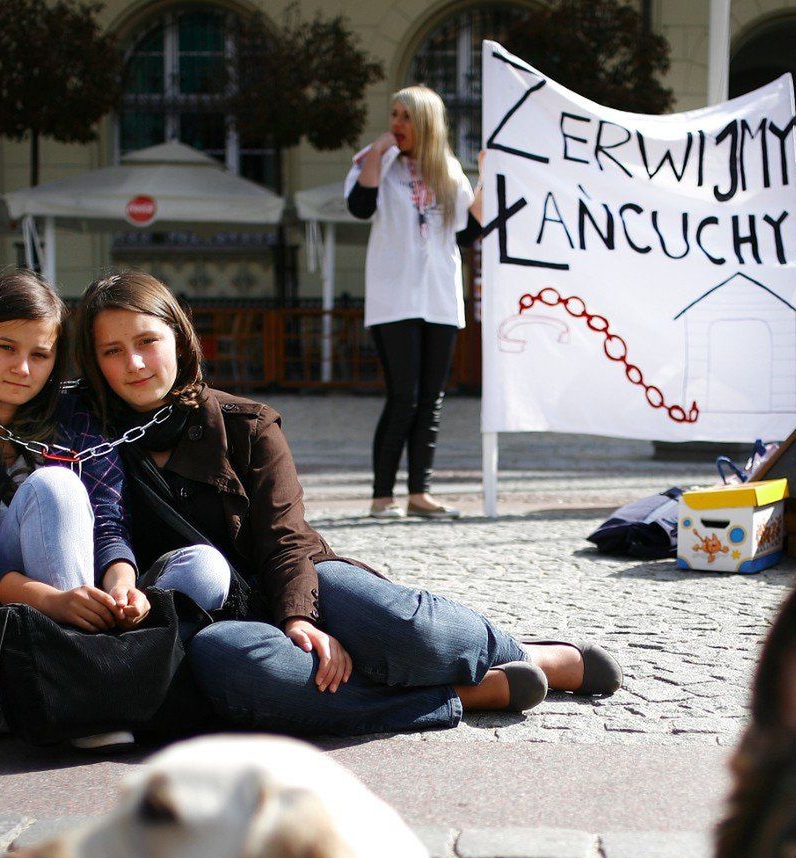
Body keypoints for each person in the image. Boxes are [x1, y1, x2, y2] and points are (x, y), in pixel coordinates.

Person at [71, 271, 623, 737]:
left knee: (410, 634)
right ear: (94, 363)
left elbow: (285, 537)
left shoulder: (245, 423)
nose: (135, 363)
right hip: (210, 618)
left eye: (147, 341)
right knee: (230, 666)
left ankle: (521, 650)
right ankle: (464, 695)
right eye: (113, 351)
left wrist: (296, 615)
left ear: (179, 339)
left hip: (299, 575)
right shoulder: (88, 441)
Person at [0, 268, 193, 748]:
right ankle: (93, 700)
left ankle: (15, 702)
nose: (24, 368)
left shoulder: (77, 416)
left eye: (41, 354)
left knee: (203, 571)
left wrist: (120, 586)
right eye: (6, 348)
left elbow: (109, 518)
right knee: (53, 486)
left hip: (87, 608)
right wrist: (50, 600)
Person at [348, 85, 476, 520]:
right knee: (403, 396)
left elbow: (467, 234)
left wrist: (490, 181)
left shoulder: (448, 169)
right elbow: (360, 206)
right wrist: (378, 152)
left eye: (405, 117)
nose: (396, 124)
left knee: (431, 400)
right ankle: (382, 496)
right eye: (394, 115)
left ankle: (420, 493)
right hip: (394, 297)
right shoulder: (377, 161)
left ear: (425, 123)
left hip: (440, 298)